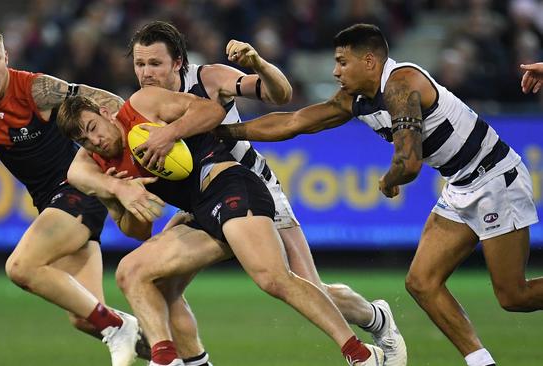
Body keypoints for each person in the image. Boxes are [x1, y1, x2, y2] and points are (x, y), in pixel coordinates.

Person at [216, 23, 542, 366]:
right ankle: (481, 362)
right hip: (461, 183)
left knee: (513, 295)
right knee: (422, 283)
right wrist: (225, 132)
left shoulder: (402, 84)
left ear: (370, 61)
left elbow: (409, 162)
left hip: (494, 177)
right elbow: (294, 121)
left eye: (343, 62)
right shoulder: (356, 99)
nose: (335, 71)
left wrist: (388, 181)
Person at [124, 20, 406, 365]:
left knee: (304, 285)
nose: (147, 73)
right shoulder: (144, 104)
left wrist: (258, 63)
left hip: (253, 185)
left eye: (155, 64)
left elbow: (281, 93)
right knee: (163, 284)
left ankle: (375, 318)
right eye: (140, 65)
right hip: (204, 199)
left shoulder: (208, 79)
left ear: (178, 63)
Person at [57, 91, 385, 366]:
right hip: (200, 214)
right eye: (83, 139)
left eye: (93, 127)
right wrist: (117, 197)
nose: (95, 140)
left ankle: (360, 355)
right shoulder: (94, 169)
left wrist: (168, 133)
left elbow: (211, 110)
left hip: (230, 186)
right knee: (131, 271)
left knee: (273, 278)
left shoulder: (142, 105)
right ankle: (166, 360)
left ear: (104, 112)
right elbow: (139, 231)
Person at [0, 22, 159, 366]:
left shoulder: (36, 89)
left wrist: (130, 142)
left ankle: (120, 327)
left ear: (6, 57)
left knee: (21, 266)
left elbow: (106, 102)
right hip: (52, 202)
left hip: (78, 188)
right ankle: (172, 354)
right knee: (85, 315)